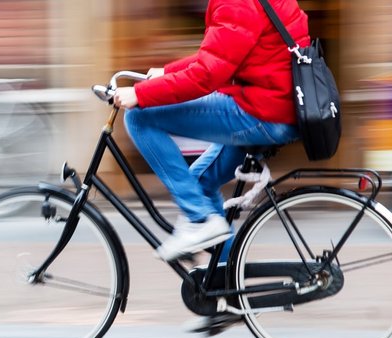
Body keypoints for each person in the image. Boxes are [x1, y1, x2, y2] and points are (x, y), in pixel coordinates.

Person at [114, 0, 310, 263]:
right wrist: (167, 72)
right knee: (199, 185)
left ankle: (199, 219)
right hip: (275, 106)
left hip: (262, 111)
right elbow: (226, 53)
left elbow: (207, 75)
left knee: (140, 118)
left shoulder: (236, 3)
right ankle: (227, 281)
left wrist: (139, 94)